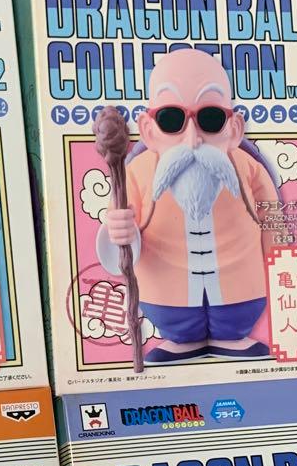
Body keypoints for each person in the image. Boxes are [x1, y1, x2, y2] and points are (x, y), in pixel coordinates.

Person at [97, 49, 280, 362]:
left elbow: (273, 222)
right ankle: (180, 338)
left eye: (210, 119)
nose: (193, 139)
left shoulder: (249, 169)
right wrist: (118, 230)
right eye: (171, 120)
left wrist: (278, 270)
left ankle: (233, 336)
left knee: (238, 316)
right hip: (166, 298)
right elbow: (120, 236)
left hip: (244, 293)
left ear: (234, 128)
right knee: (175, 321)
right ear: (148, 129)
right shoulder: (137, 174)